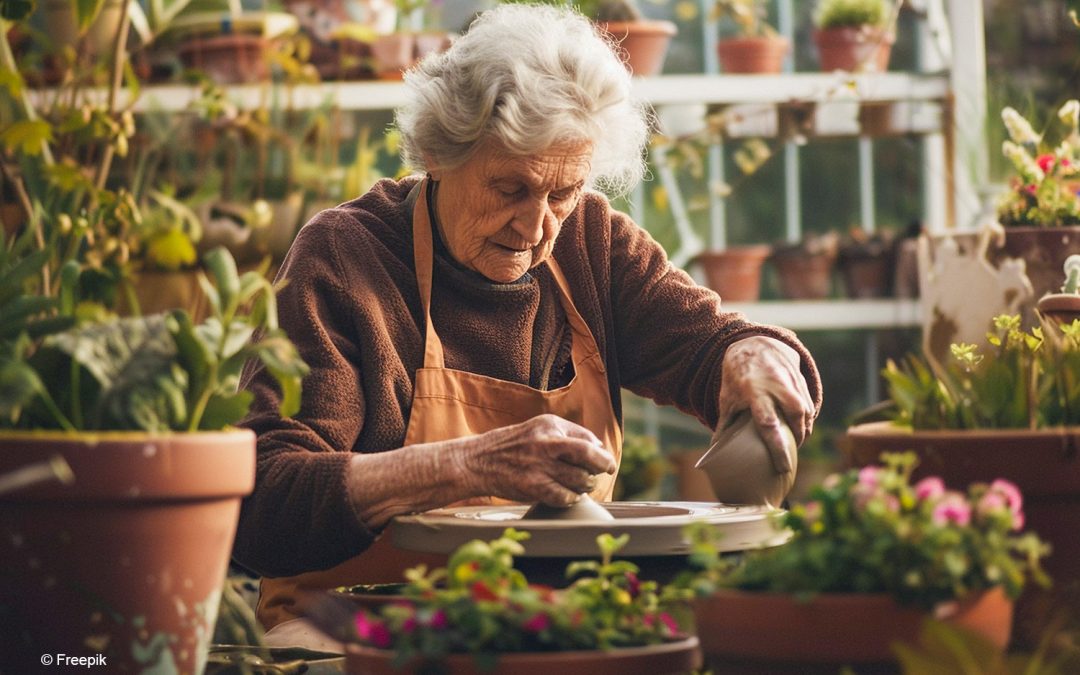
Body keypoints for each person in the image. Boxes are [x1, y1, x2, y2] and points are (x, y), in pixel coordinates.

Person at [234, 3, 821, 647]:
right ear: (437, 154)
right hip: (352, 626)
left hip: (548, 622)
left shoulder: (591, 243)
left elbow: (709, 346)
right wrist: (467, 466)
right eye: (510, 188)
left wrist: (755, 355)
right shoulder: (347, 257)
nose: (537, 225)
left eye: (562, 193)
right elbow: (264, 503)